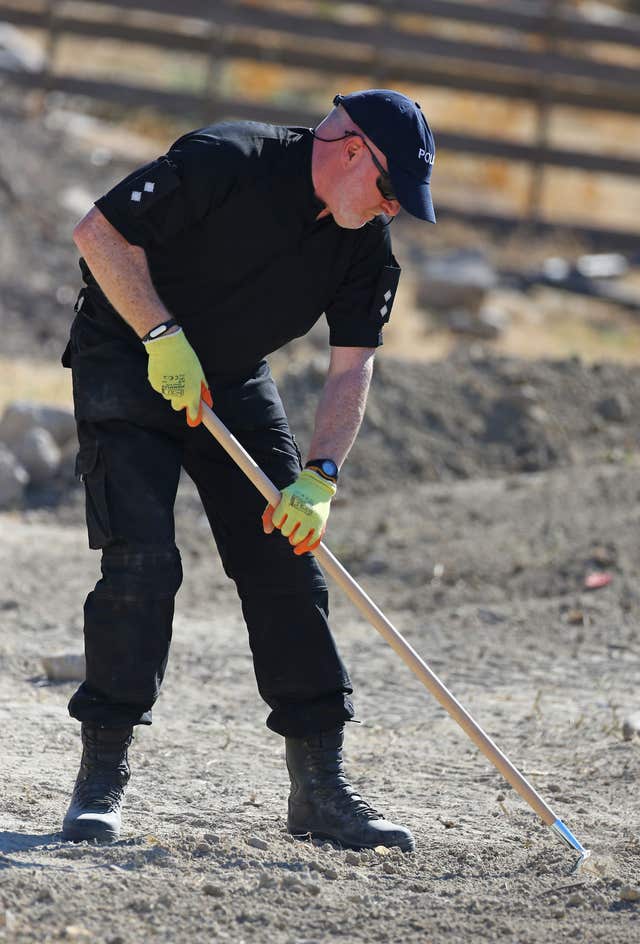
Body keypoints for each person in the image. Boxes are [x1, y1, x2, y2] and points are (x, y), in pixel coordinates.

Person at [60, 89, 436, 850]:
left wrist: (321, 475)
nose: (393, 210)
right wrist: (161, 334)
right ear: (353, 151)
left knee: (287, 562)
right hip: (128, 355)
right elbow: (99, 233)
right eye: (392, 190)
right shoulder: (227, 159)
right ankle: (101, 776)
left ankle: (320, 790)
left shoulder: (365, 244)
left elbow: (350, 368)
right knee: (141, 567)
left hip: (229, 379)